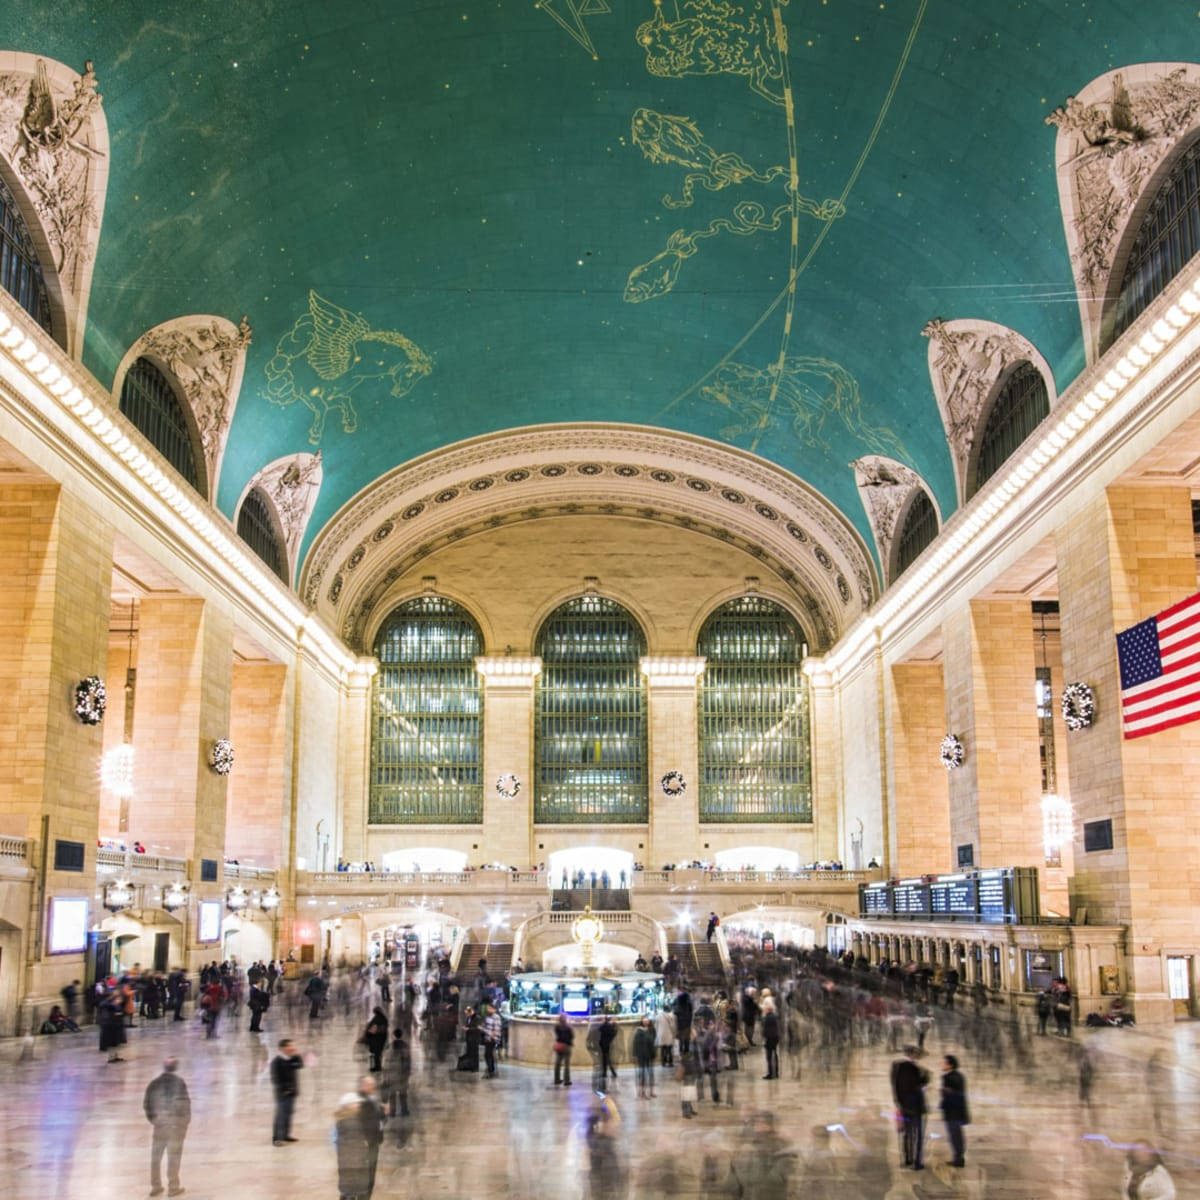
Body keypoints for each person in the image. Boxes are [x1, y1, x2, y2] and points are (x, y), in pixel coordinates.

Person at [143, 1057, 190, 1198]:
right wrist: (184, 1124)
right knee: (174, 1157)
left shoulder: (154, 1083)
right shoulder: (179, 1083)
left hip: (160, 1125)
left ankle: (156, 1186)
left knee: (156, 1157)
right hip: (175, 1126)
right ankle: (173, 1186)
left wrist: (154, 1120)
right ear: (175, 1068)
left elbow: (147, 1104)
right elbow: (185, 1104)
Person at [333, 1077, 385, 1200]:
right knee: (354, 1190)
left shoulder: (346, 1119)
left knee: (351, 1190)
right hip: (356, 1162)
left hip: (355, 1163)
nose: (358, 1104)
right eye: (355, 1103)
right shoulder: (350, 1121)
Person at [891, 1045, 929, 1170]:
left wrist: (898, 1103)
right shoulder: (915, 1069)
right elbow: (920, 1084)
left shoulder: (897, 1068)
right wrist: (926, 1076)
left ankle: (907, 1159)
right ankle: (917, 1162)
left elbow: (895, 1087)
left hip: (903, 1106)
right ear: (912, 1055)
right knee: (918, 1135)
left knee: (907, 1134)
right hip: (916, 1107)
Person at [270, 1038, 304, 1145]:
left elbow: (300, 1065)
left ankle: (285, 1135)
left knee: (288, 1114)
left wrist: (297, 1055)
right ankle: (277, 1138)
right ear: (283, 1048)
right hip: (283, 1093)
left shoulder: (291, 1059)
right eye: (290, 1046)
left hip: (292, 1092)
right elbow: (275, 1078)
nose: (292, 1048)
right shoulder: (276, 1061)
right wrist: (284, 1090)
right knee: (281, 1115)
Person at [939, 1054, 969, 1168]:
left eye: (944, 1063)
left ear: (950, 1065)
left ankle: (958, 1159)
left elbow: (951, 1095)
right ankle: (959, 1158)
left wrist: (943, 1091)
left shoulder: (948, 1078)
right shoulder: (960, 1076)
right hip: (959, 1111)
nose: (942, 1065)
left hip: (952, 1112)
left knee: (954, 1136)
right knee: (958, 1136)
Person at [382, 1028, 411, 1119]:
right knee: (403, 1094)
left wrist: (385, 1075)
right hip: (402, 1075)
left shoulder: (389, 1047)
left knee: (392, 1095)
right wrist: (407, 1074)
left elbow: (386, 1063)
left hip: (392, 1074)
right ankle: (404, 1111)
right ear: (401, 1035)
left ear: (393, 1035)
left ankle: (392, 1112)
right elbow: (408, 1062)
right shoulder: (406, 1046)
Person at [632, 1017, 656, 1098]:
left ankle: (651, 1092)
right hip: (641, 1055)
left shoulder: (651, 1030)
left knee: (650, 1074)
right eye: (645, 1020)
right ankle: (642, 1092)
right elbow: (635, 1044)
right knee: (642, 1074)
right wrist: (635, 1055)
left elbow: (653, 1041)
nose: (646, 1022)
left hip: (649, 1054)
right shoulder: (639, 1032)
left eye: (647, 1020)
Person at [363, 1005, 388, 1072]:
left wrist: (367, 1035)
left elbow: (373, 1030)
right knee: (379, 1053)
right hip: (382, 1038)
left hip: (376, 1039)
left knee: (376, 1053)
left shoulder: (376, 1019)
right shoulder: (384, 1018)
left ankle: (377, 1067)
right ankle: (378, 1065)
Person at [761, 996, 780, 1080]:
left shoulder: (769, 1017)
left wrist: (764, 1037)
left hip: (770, 1038)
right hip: (774, 1037)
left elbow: (766, 1029)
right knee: (774, 1055)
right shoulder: (774, 1016)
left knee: (769, 1056)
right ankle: (775, 1072)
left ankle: (770, 1073)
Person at [553, 1012, 574, 1086]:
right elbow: (572, 1036)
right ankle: (566, 1081)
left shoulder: (557, 1027)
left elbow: (556, 1034)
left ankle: (556, 1079)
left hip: (559, 1046)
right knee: (566, 1065)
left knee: (557, 1063)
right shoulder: (568, 1027)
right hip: (567, 1047)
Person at [482, 1002, 501, 1078]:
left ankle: (491, 1070)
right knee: (488, 1055)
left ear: (493, 1009)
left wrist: (494, 1035)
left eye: (489, 1008)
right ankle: (491, 1070)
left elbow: (496, 1029)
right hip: (487, 1038)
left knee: (488, 1055)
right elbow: (485, 1026)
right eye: (487, 1008)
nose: (488, 1009)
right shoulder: (488, 1016)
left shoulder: (496, 1017)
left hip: (492, 1039)